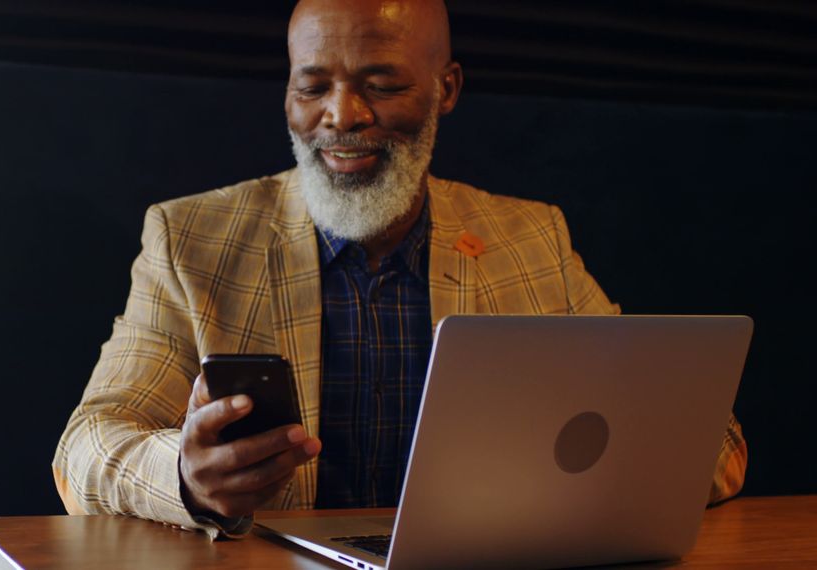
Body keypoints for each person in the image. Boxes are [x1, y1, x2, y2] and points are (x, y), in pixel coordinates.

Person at [53, 0, 747, 539]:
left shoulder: (531, 238)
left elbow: (711, 443)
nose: (341, 115)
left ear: (447, 89)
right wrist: (186, 478)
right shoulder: (189, 239)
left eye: (380, 84)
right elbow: (84, 449)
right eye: (312, 85)